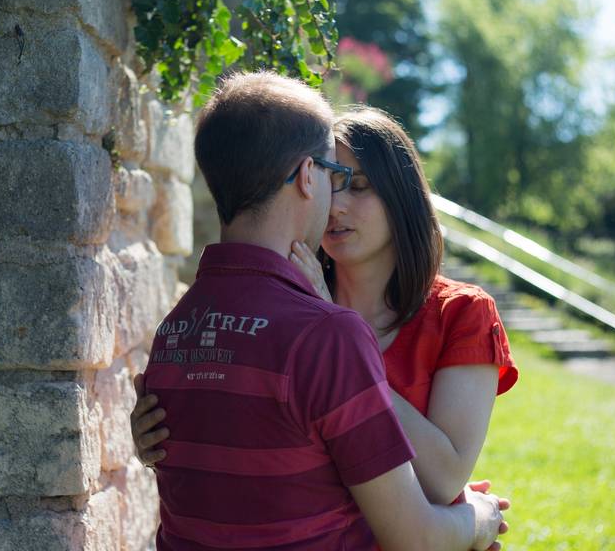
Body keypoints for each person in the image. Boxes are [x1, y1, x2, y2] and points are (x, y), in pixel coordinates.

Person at [135, 71, 510, 551]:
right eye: (335, 180)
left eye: (357, 186)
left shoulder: (457, 312)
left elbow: (441, 481)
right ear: (307, 178)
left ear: (402, 195)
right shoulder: (306, 326)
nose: (336, 204)